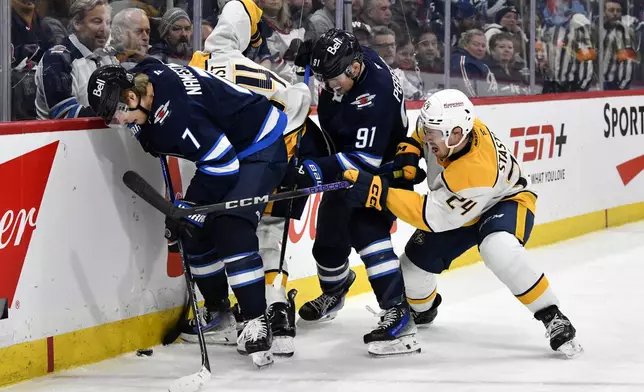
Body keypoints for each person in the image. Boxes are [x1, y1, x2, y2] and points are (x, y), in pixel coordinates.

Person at [340, 89, 583, 358]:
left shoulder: (476, 170)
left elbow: (431, 216)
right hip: (457, 205)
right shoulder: (452, 126)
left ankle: (552, 315)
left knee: (497, 247)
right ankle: (425, 309)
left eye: (433, 132)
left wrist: (379, 193)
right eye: (429, 129)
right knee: (410, 273)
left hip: (505, 202)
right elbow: (421, 131)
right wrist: (411, 148)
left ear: (456, 134)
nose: (428, 135)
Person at [86, 58, 289, 368]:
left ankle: (256, 320)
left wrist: (190, 206)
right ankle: (219, 311)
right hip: (232, 141)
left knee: (230, 226)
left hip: (260, 144)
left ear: (131, 97)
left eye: (119, 114)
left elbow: (222, 165)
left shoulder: (177, 118)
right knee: (191, 231)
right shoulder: (147, 73)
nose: (120, 122)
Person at [187, 0, 333, 357]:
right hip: (287, 149)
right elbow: (298, 101)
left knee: (243, 230)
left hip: (248, 157)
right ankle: (279, 312)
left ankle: (259, 310)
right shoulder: (267, 73)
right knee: (269, 230)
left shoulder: (203, 64)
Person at [290, 29, 419, 357]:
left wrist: (313, 170)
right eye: (325, 78)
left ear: (355, 68)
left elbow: (364, 161)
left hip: (381, 170)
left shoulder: (375, 96)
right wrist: (309, 61)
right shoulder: (350, 62)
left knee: (367, 231)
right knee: (328, 245)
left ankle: (399, 314)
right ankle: (335, 290)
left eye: (333, 78)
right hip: (345, 156)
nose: (329, 86)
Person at [35, 0, 117, 119]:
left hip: (100, 135)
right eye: (97, 21)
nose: (105, 29)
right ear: (77, 23)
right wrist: (114, 110)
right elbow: (65, 115)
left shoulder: (108, 58)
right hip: (58, 136)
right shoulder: (57, 58)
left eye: (108, 23)